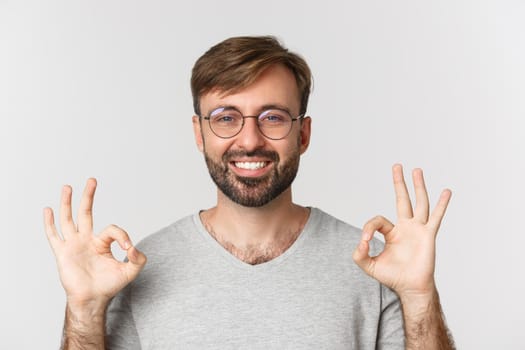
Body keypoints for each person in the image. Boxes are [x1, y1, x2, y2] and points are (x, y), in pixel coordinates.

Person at [44, 36, 455, 349]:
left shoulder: (373, 267)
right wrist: (85, 308)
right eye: (226, 118)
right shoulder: (138, 270)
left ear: (303, 133)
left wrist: (419, 297)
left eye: (273, 117)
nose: (249, 140)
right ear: (199, 134)